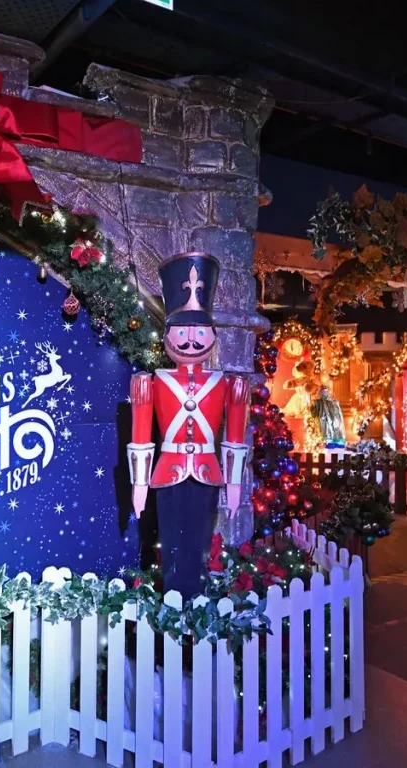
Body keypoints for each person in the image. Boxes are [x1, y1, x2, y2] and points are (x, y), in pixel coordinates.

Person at [127, 253, 249, 597]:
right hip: (167, 470)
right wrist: (139, 485)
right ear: (168, 334)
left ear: (211, 334)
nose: (190, 340)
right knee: (169, 538)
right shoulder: (150, 382)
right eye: (182, 331)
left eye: (198, 331)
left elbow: (235, 437)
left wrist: (235, 483)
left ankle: (194, 599)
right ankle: (172, 599)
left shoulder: (228, 384)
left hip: (208, 470)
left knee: (199, 538)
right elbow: (140, 438)